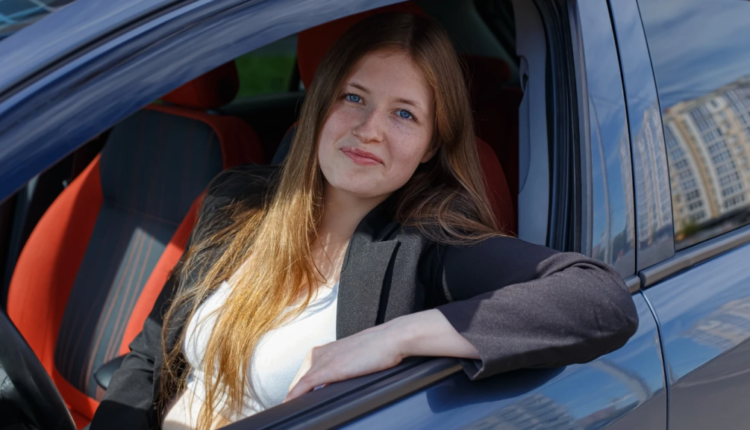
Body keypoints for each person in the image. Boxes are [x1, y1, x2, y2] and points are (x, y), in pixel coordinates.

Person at [91, 12, 638, 430]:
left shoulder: (427, 246)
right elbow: (149, 356)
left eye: (404, 113)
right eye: (353, 97)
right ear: (320, 106)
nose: (370, 129)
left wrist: (395, 338)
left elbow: (600, 300)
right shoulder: (237, 200)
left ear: (430, 146)